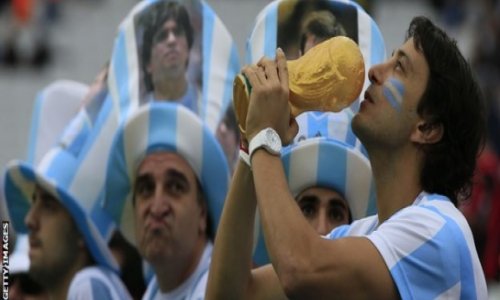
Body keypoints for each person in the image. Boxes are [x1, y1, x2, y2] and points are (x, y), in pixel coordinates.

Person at [207, 16, 488, 299]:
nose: (375, 71)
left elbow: (300, 269)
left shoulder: (438, 230)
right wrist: (249, 144)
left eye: (399, 67)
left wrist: (264, 138)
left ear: (427, 128)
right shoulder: (366, 234)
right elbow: (234, 293)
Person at [102, 102, 229, 299]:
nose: (157, 207)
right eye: (145, 189)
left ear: (202, 213)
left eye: (175, 187)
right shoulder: (155, 291)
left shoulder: (223, 289)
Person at [3, 116, 132, 300]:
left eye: (48, 205)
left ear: (82, 231)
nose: (29, 220)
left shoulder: (89, 285)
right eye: (34, 202)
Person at [140, 1, 200, 113]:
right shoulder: (138, 118)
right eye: (162, 36)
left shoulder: (209, 109)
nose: (172, 40)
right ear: (148, 64)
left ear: (188, 49)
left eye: (178, 32)